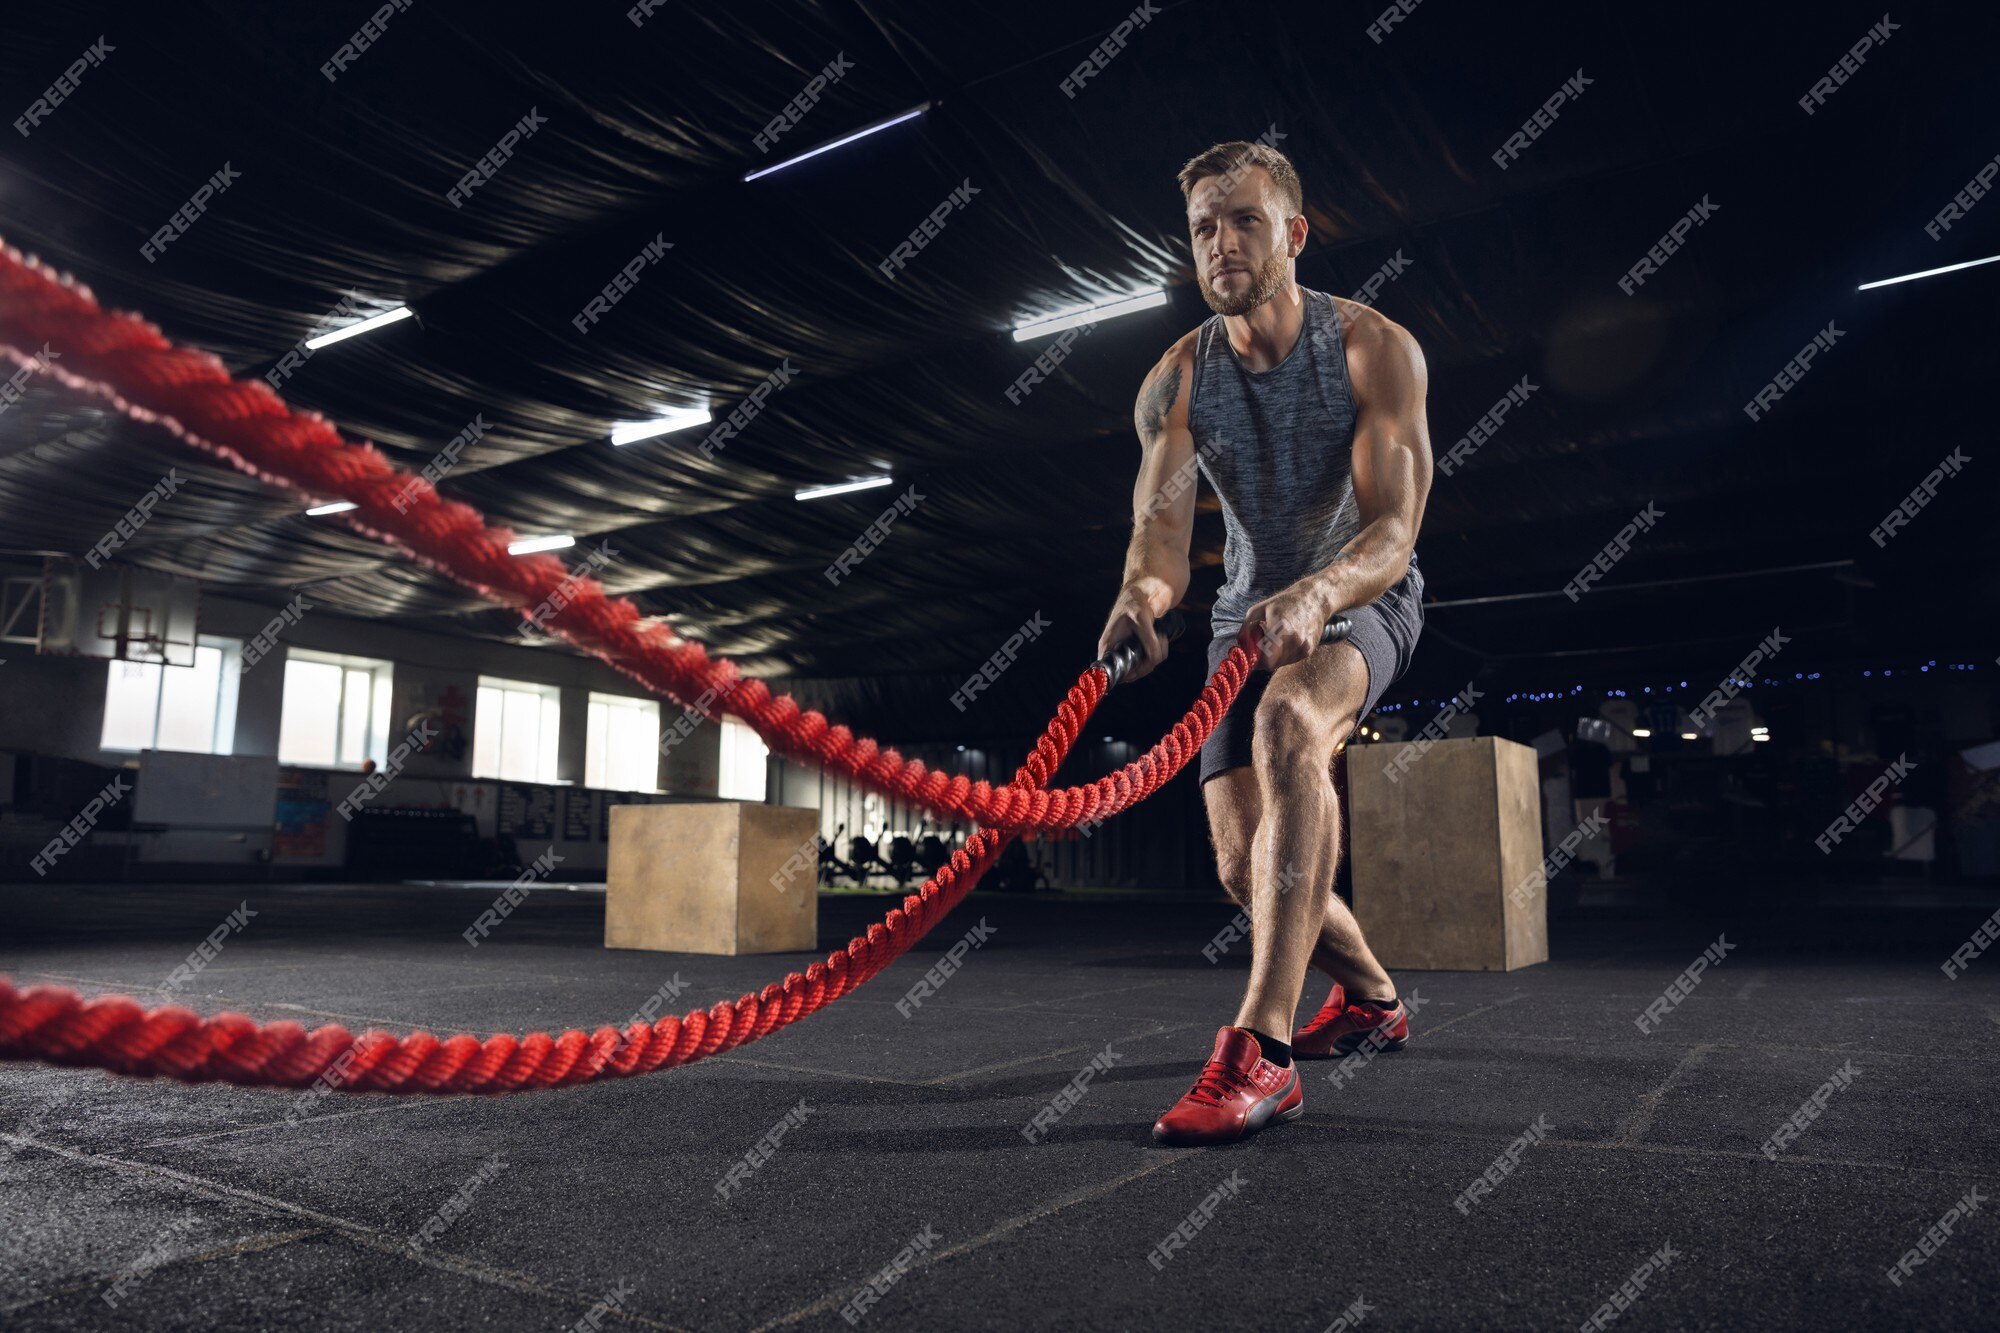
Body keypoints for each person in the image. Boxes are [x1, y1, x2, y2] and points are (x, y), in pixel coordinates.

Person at [1095, 139, 1433, 1146]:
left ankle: (1262, 1052)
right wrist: (1139, 602)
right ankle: (1373, 999)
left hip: (1360, 597)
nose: (1221, 241)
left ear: (1292, 233)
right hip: (1242, 619)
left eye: (1243, 220)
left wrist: (1316, 593)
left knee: (1291, 724)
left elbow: (1391, 532)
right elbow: (1159, 546)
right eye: (1204, 226)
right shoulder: (1175, 382)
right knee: (1246, 870)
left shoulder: (1374, 348)